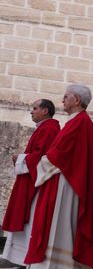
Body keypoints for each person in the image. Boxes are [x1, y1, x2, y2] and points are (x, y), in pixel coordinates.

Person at [23, 84, 93, 268]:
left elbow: (59, 153)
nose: (62, 100)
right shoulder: (77, 120)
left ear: (76, 100)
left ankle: (57, 264)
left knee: (58, 225)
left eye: (66, 96)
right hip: (65, 177)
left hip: (67, 181)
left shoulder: (80, 121)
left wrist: (37, 164)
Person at [1, 99, 60, 267]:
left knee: (31, 222)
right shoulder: (44, 128)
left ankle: (27, 260)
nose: (31, 111)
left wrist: (19, 158)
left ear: (45, 111)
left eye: (35, 108)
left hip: (37, 185)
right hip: (32, 180)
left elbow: (42, 157)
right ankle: (22, 259)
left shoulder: (49, 129)